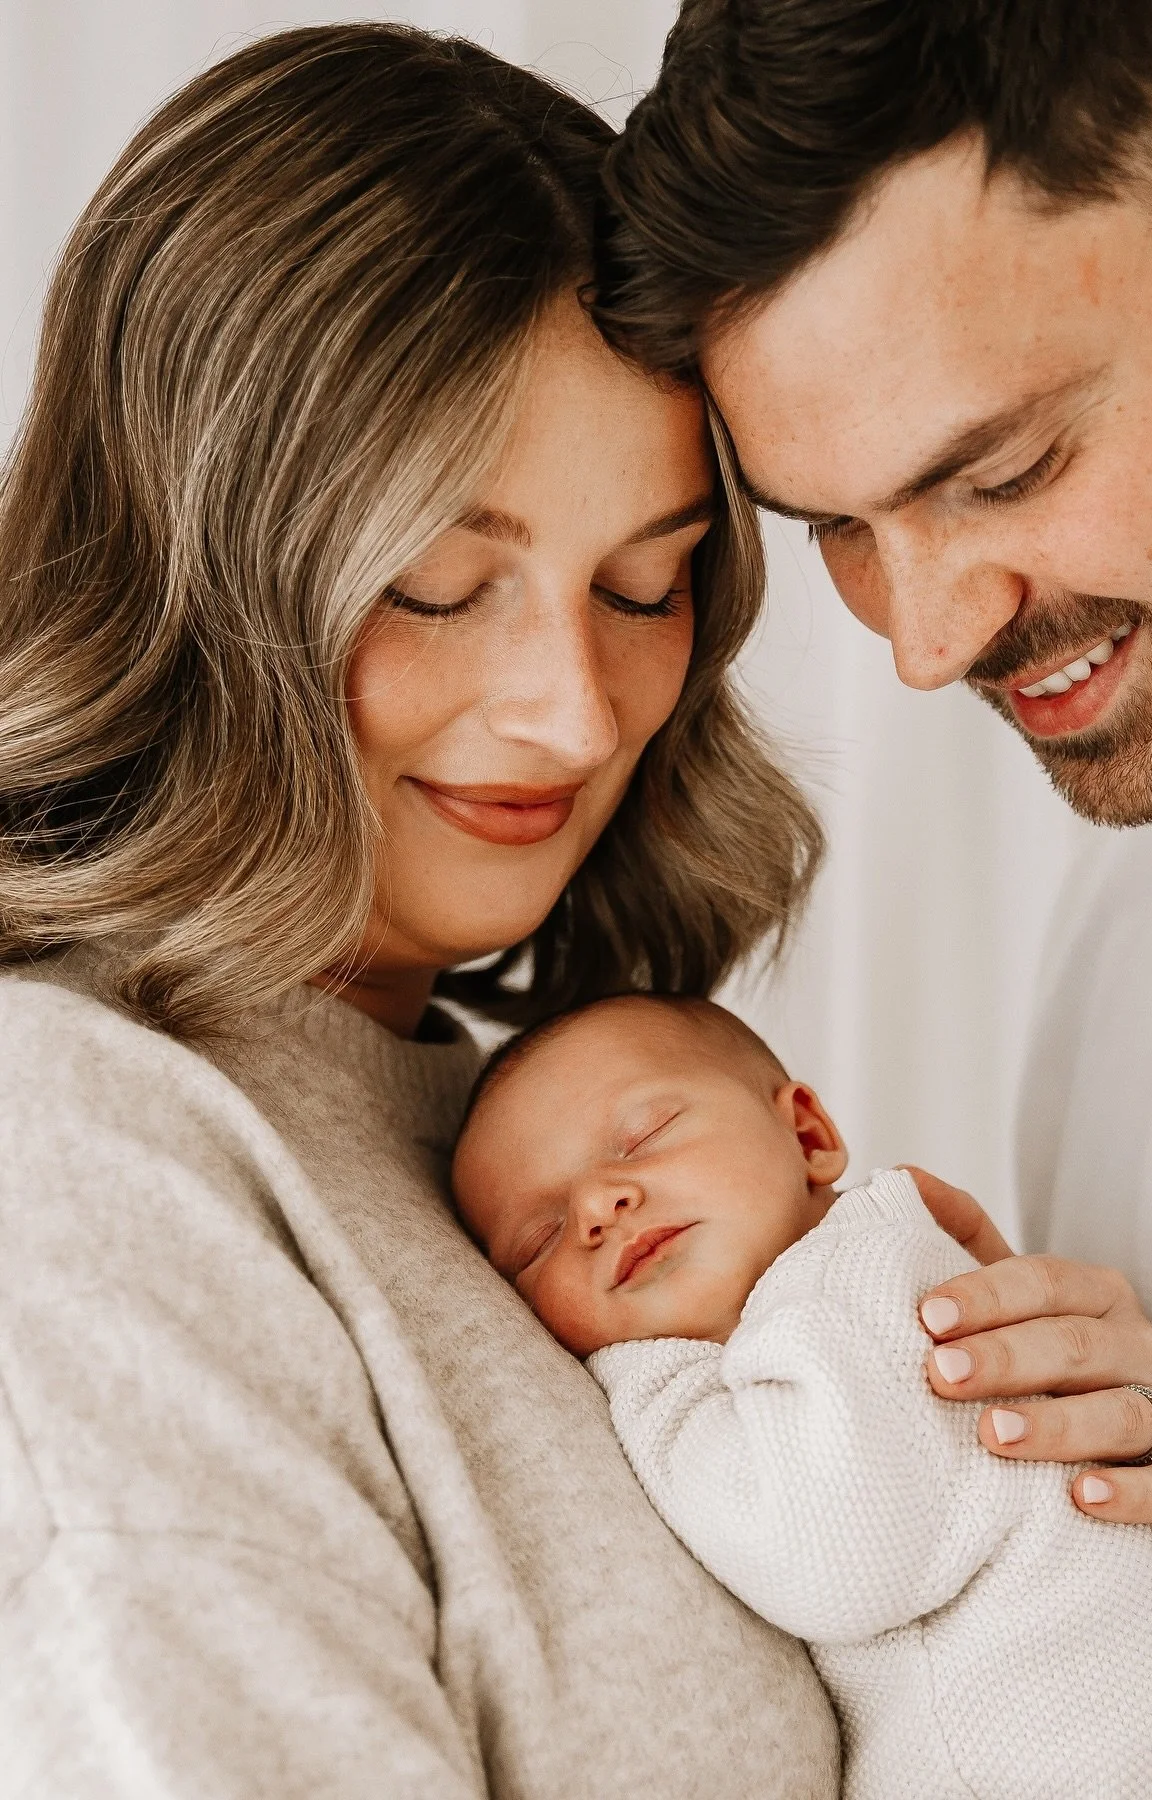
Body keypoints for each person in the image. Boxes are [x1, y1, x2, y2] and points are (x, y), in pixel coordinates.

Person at [594, 2, 1152, 1796]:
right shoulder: (1137, 888)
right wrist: (1144, 1538)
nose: (924, 640)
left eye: (1000, 472)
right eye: (837, 528)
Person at [0, 24, 842, 1798]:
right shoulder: (71, 1142)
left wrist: (1043, 1492)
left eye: (648, 582)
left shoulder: (506, 1119)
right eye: (441, 586)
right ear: (193, 562)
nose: (579, 711)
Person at [451, 992, 1152, 1800]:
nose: (595, 1207)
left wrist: (644, 1378)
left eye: (645, 1136)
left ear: (808, 1135)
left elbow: (828, 1556)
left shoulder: (857, 1281)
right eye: (537, 1238)